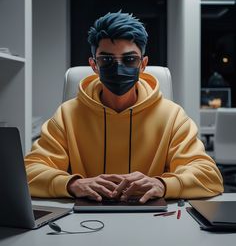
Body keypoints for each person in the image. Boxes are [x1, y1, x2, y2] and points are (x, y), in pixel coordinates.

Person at [25, 11, 223, 203]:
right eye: (106, 60)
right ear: (94, 65)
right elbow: (29, 171)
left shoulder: (172, 116)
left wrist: (162, 185)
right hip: (82, 222)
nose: (118, 68)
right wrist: (72, 184)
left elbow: (209, 176)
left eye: (129, 59)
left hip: (154, 220)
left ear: (143, 64)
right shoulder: (67, 115)